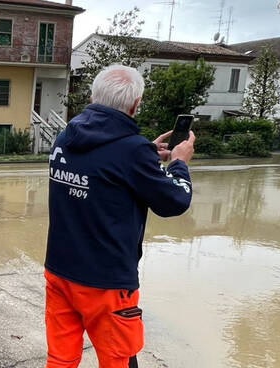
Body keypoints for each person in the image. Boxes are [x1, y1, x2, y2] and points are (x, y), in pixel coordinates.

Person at [44, 65, 195, 368]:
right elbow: (175, 201)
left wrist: (147, 154)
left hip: (59, 272)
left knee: (61, 359)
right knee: (119, 361)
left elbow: (101, 168)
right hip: (107, 283)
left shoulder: (64, 139)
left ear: (93, 96)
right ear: (135, 104)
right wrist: (178, 163)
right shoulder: (130, 152)